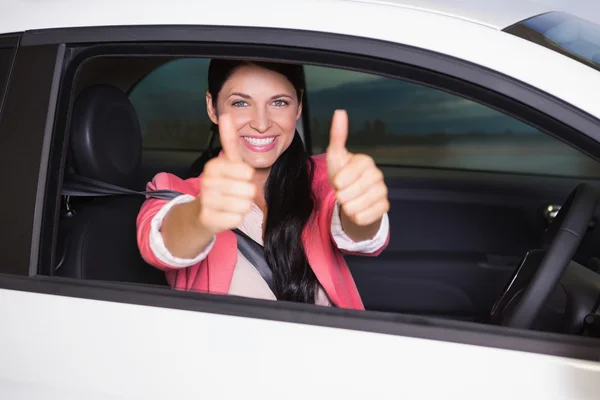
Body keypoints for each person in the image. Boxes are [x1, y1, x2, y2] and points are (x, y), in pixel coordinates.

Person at [136, 59, 390, 309]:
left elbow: (358, 232)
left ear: (298, 107)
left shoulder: (325, 176)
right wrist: (202, 216)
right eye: (240, 103)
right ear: (212, 107)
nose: (261, 123)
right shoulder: (174, 190)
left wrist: (362, 213)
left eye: (279, 102)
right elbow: (163, 245)